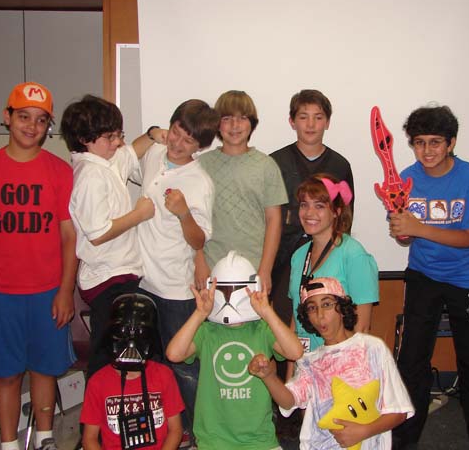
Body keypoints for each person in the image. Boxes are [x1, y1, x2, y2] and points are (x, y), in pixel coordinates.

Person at [0, 82, 77, 450]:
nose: (31, 126)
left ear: (48, 126)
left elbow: (69, 237)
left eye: (41, 120)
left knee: (45, 371)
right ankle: (9, 443)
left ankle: (44, 438)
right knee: (7, 375)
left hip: (47, 293)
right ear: (7, 117)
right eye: (24, 116)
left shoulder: (60, 172)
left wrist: (65, 291)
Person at [388, 104, 469, 450]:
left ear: (451, 143)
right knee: (411, 361)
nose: (427, 150)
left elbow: (468, 238)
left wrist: (419, 227)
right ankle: (404, 440)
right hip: (424, 274)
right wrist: (401, 228)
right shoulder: (406, 179)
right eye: (419, 142)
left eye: (435, 142)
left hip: (468, 276)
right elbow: (405, 237)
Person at [61, 94, 164, 378]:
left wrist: (153, 135)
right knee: (108, 355)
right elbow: (98, 233)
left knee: (130, 353)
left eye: (119, 134)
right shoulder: (90, 176)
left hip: (120, 274)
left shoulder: (103, 161)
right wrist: (139, 214)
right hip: (107, 278)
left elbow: (130, 153)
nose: (117, 142)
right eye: (110, 137)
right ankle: (98, 405)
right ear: (85, 139)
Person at [135, 99, 219, 444]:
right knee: (149, 365)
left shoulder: (200, 181)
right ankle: (166, 431)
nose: (177, 143)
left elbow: (199, 240)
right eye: (175, 132)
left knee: (184, 367)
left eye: (188, 140)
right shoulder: (155, 153)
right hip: (140, 280)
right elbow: (124, 158)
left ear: (200, 146)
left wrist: (184, 213)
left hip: (174, 288)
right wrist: (151, 133)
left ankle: (200, 435)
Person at [249, 277, 414, 449]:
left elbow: (399, 411)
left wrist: (364, 431)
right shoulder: (310, 363)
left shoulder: (372, 349)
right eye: (312, 308)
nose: (320, 315)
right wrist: (268, 377)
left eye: (327, 304)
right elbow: (289, 402)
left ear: (342, 308)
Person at [166, 251, 304, 450]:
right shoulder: (207, 332)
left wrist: (267, 312)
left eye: (235, 290)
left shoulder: (262, 330)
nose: (229, 298)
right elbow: (174, 354)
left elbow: (295, 352)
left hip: (259, 442)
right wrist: (199, 313)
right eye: (223, 290)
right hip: (212, 443)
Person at [270, 89, 354, 328]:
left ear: (327, 122)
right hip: (283, 260)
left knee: (325, 322)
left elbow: (346, 218)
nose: (310, 124)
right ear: (292, 121)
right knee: (284, 323)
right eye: (303, 117)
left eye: (318, 117)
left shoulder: (339, 165)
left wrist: (338, 254)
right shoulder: (275, 163)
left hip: (327, 255)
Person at [195, 90, 288, 294]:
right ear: (217, 124)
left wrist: (265, 270)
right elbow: (193, 219)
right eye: (227, 118)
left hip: (253, 268)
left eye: (242, 118)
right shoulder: (200, 165)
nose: (235, 125)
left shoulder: (266, 165)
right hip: (211, 267)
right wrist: (199, 262)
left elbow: (274, 220)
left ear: (252, 123)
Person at [81, 293, 185, 450]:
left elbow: (175, 430)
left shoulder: (164, 375)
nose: (130, 346)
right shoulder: (98, 382)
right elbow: (89, 439)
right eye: (122, 337)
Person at [289, 174, 378, 355]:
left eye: (319, 206)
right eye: (304, 205)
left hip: (340, 363)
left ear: (336, 211)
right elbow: (296, 320)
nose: (309, 213)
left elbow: (361, 327)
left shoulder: (354, 254)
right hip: (305, 364)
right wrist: (292, 368)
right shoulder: (298, 256)